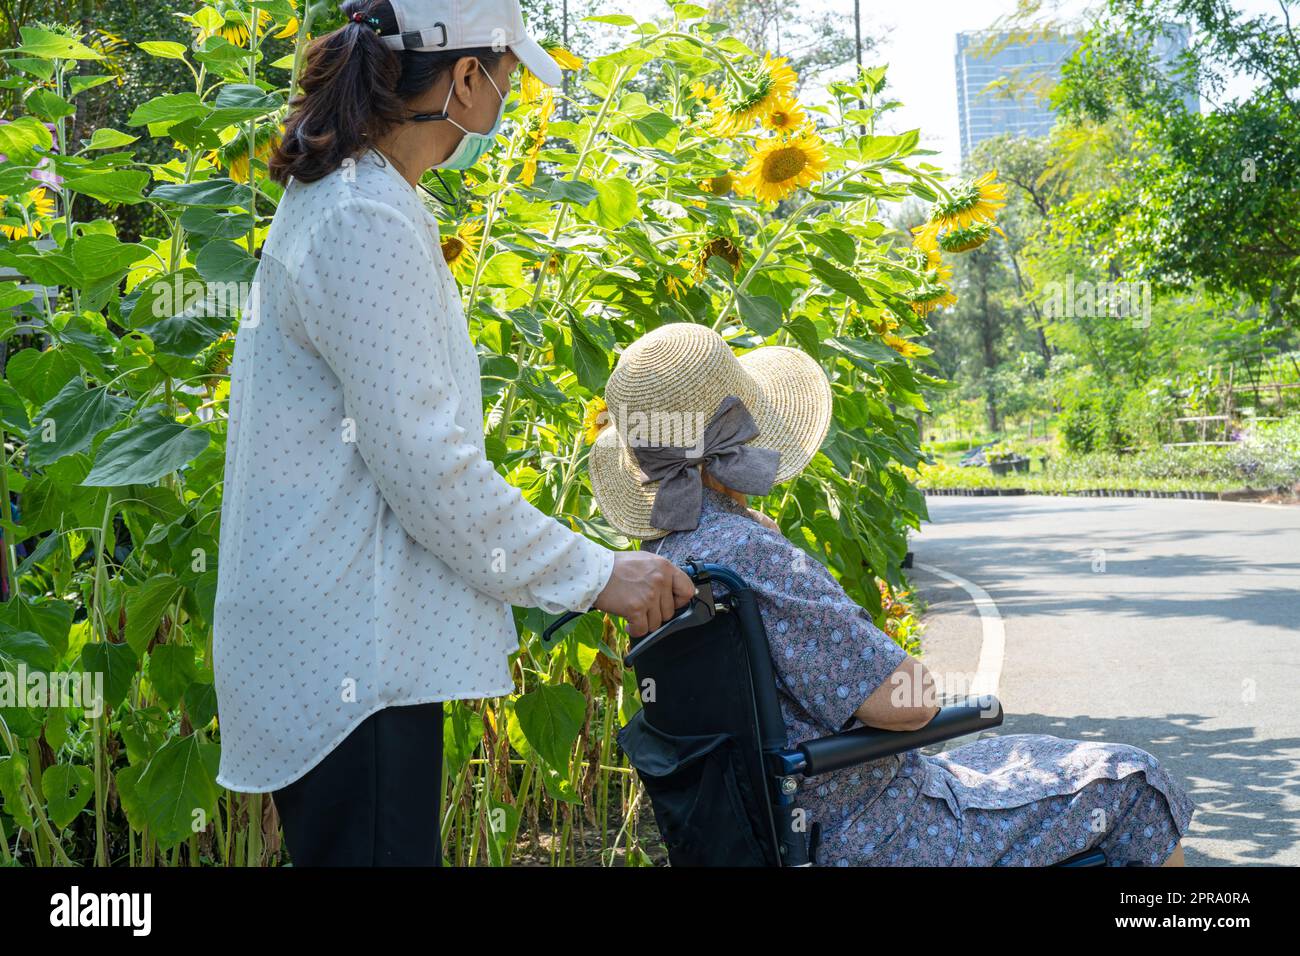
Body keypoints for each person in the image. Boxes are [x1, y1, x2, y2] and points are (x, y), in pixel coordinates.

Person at [211, 0, 693, 866]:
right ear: (466, 78)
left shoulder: (364, 201)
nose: (507, 102)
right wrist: (596, 575)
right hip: (351, 656)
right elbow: (430, 470)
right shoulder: (366, 221)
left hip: (348, 644)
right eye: (508, 78)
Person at [586, 322, 1195, 866]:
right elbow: (904, 705)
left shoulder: (660, 563)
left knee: (1029, 755)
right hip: (880, 831)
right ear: (738, 444)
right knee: (1134, 781)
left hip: (770, 831)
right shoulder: (756, 557)